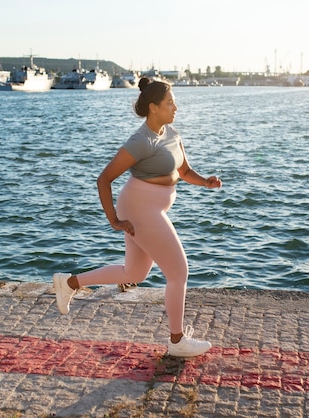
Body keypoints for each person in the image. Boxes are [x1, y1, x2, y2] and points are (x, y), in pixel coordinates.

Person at [53, 77, 222, 358]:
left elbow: (184, 171)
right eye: (170, 103)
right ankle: (177, 341)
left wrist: (206, 182)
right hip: (139, 209)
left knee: (135, 273)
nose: (175, 107)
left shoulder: (173, 134)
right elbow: (104, 179)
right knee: (178, 272)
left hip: (149, 209)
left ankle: (68, 283)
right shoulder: (140, 141)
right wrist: (114, 220)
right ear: (154, 107)